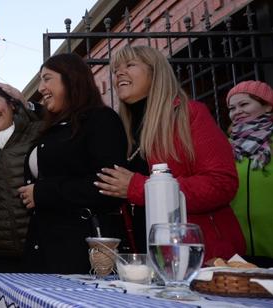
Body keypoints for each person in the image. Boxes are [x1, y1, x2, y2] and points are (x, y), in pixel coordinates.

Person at [94, 45, 245, 261]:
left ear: (155, 72)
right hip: (149, 260)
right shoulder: (122, 129)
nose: (119, 73)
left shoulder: (190, 114)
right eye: (116, 69)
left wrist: (139, 187)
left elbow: (222, 184)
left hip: (201, 258)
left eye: (130, 65)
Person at [17, 53, 128, 274]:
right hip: (42, 248)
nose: (41, 88)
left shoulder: (101, 120)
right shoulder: (52, 128)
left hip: (81, 252)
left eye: (47, 78)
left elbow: (108, 187)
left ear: (71, 78)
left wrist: (43, 192)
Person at [0, 83, 43, 273]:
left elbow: (62, 118)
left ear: (12, 104)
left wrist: (28, 104)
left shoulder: (37, 130)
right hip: (1, 255)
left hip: (40, 247)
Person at [226, 80, 273, 267]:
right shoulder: (225, 146)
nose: (237, 111)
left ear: (268, 106)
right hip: (239, 252)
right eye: (232, 108)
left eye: (244, 104)